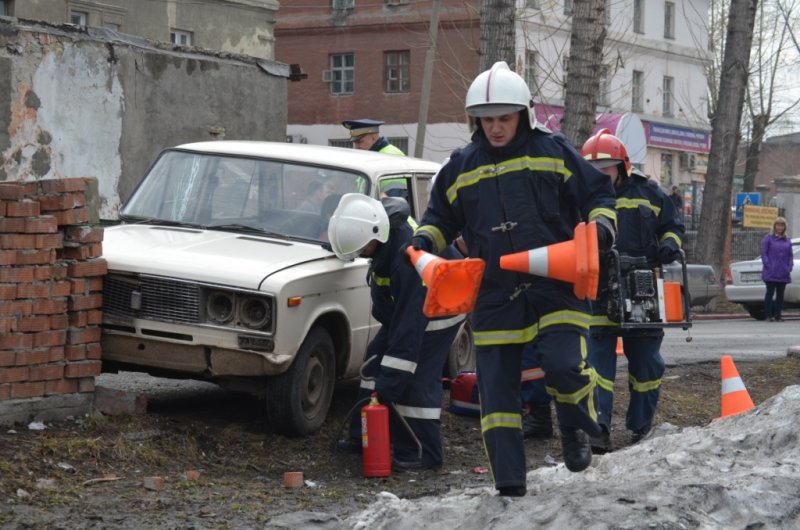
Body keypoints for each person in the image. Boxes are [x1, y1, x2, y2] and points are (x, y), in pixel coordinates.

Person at [408, 61, 618, 496]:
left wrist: (599, 229)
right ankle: (508, 485)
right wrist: (423, 243)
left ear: (523, 114)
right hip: (495, 295)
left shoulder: (553, 150)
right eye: (487, 120)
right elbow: (439, 219)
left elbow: (598, 193)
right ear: (476, 120)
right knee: (499, 397)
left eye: (504, 118)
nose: (496, 128)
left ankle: (577, 428)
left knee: (565, 367)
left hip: (558, 285)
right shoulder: (461, 165)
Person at [328, 193, 464, 471]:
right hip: (405, 313)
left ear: (376, 234)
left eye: (362, 249)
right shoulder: (381, 235)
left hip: (439, 312)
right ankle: (364, 436)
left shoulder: (407, 258)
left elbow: (409, 328)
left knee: (414, 380)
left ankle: (422, 453)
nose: (360, 254)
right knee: (372, 365)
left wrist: (392, 381)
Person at [580, 129, 685, 454]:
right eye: (594, 171)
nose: (600, 176)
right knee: (597, 368)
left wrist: (669, 243)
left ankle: (640, 426)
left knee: (647, 365)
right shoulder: (577, 198)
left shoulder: (650, 193)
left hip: (641, 289)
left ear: (622, 167)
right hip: (597, 289)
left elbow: (673, 226)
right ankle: (598, 431)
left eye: (606, 169)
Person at [761, 217, 793, 322]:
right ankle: (768, 315)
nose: (780, 227)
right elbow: (764, 253)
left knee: (780, 295)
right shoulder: (768, 238)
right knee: (769, 293)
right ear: (774, 226)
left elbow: (790, 255)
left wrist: (789, 266)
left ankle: (778, 315)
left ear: (784, 227)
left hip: (783, 272)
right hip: (771, 271)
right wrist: (768, 265)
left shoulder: (787, 240)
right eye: (778, 225)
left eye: (782, 225)